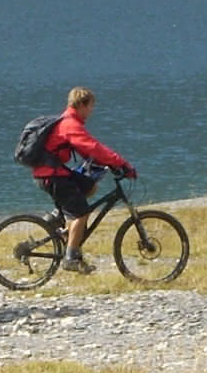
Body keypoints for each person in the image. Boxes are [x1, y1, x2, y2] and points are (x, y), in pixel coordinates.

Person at [30, 87, 136, 274]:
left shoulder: (68, 122)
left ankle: (62, 223)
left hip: (53, 173)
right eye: (90, 107)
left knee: (89, 186)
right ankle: (70, 257)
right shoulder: (70, 124)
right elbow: (93, 147)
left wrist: (108, 163)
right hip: (52, 176)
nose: (91, 112)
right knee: (81, 213)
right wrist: (122, 163)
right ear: (81, 105)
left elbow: (88, 151)